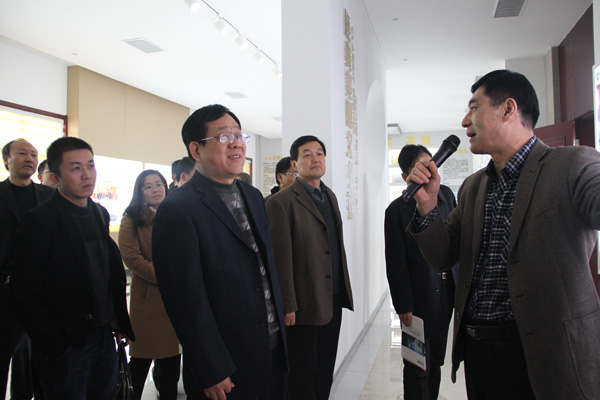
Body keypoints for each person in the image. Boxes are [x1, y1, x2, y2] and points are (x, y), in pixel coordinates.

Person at [406, 69, 600, 399]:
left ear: (508, 109)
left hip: (547, 355)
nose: (465, 121)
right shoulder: (473, 186)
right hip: (480, 353)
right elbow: (443, 255)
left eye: (473, 107)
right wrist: (427, 208)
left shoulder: (572, 165)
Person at [152, 104, 288, 400]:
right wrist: (210, 366)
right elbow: (185, 300)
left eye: (239, 135)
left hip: (271, 347)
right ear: (196, 150)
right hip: (226, 363)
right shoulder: (178, 209)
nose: (236, 143)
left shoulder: (252, 195)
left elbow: (262, 266)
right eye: (224, 136)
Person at [10, 137, 134, 400]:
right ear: (55, 177)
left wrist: (117, 320)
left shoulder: (99, 213)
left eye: (90, 165)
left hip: (103, 336)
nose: (87, 174)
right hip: (67, 342)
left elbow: (104, 273)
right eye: (76, 168)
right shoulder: (39, 221)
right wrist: (56, 343)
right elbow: (24, 294)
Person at [265, 135, 354, 400]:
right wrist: (288, 305)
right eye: (307, 154)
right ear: (294, 164)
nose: (315, 158)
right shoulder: (281, 202)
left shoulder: (330, 196)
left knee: (325, 369)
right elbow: (280, 259)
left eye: (319, 153)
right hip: (303, 304)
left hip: (333, 297)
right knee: (303, 374)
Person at [385, 144, 457, 400]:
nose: (428, 172)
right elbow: (395, 262)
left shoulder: (446, 195)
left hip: (446, 293)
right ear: (406, 177)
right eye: (420, 169)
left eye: (430, 164)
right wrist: (403, 304)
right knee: (416, 363)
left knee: (436, 359)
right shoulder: (397, 210)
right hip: (418, 298)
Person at [118, 170, 181, 400]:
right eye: (148, 186)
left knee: (171, 365)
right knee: (140, 363)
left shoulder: (175, 214)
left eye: (159, 184)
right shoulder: (132, 217)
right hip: (149, 301)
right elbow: (132, 258)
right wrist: (166, 276)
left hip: (175, 300)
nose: (155, 189)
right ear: (140, 191)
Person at [0, 138, 54, 400]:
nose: (30, 158)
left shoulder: (48, 196)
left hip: (39, 291)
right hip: (5, 288)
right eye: (22, 153)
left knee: (36, 359)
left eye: (34, 154)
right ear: (6, 160)